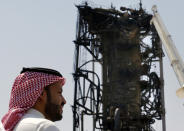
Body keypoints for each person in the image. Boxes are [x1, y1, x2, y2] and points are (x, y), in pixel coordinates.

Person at [0, 67, 66, 131]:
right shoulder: (44, 127)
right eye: (59, 92)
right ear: (41, 94)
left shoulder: (4, 127)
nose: (64, 101)